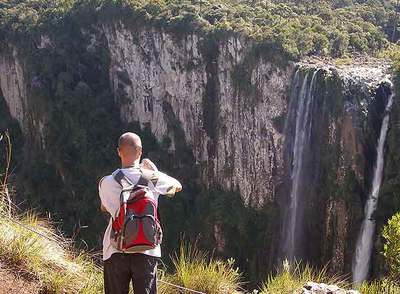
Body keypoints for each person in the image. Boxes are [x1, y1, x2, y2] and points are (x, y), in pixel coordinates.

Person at [99, 132, 182, 294]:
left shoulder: (106, 182)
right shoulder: (153, 178)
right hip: (147, 250)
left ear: (119, 152)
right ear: (140, 152)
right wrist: (155, 171)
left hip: (115, 249)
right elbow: (177, 186)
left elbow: (104, 207)